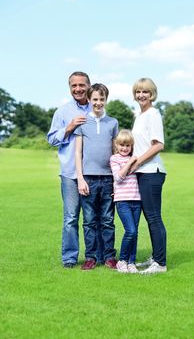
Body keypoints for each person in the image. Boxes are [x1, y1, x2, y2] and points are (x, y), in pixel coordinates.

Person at [47, 71, 103, 268]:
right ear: (69, 88)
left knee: (94, 218)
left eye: (82, 85)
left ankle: (96, 256)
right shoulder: (62, 112)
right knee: (71, 218)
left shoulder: (97, 107)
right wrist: (69, 127)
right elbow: (52, 139)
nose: (78, 89)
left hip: (94, 174)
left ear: (89, 86)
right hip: (70, 174)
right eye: (74, 86)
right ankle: (70, 258)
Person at [75, 83, 118, 271]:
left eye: (102, 99)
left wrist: (117, 180)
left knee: (108, 220)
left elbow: (117, 153)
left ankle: (109, 257)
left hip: (108, 179)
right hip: (89, 179)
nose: (98, 103)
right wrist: (80, 178)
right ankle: (90, 257)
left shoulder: (113, 123)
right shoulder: (83, 121)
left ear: (106, 100)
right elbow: (78, 153)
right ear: (89, 100)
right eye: (95, 99)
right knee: (89, 221)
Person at [131, 77, 167, 274]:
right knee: (150, 217)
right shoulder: (140, 115)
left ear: (152, 94)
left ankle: (160, 263)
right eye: (138, 91)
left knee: (154, 217)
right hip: (143, 172)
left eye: (145, 91)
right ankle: (156, 257)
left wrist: (136, 162)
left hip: (151, 172)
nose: (141, 95)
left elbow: (158, 145)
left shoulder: (153, 114)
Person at [110, 130, 141, 274]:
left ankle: (131, 262)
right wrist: (130, 161)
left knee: (135, 233)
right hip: (122, 201)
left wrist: (133, 159)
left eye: (128, 145)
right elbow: (119, 177)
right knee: (131, 231)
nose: (124, 148)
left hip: (136, 199)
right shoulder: (114, 159)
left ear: (131, 146)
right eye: (122, 145)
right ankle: (122, 261)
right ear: (117, 145)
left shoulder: (135, 158)